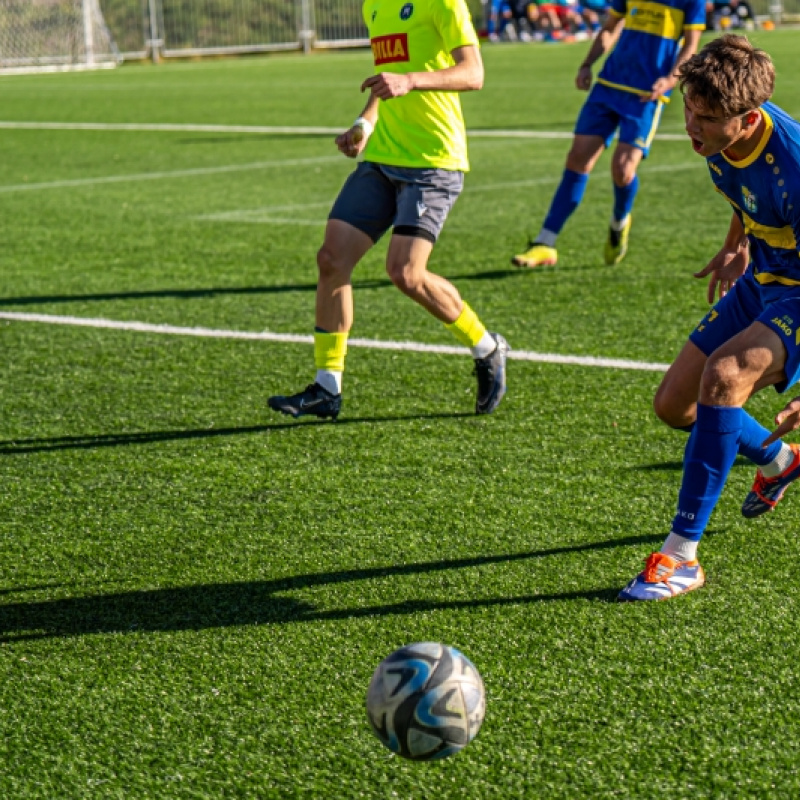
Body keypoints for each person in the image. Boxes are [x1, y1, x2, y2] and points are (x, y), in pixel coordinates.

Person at [620, 35, 800, 601]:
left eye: (705, 118)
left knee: (725, 377)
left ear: (748, 120)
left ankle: (681, 558)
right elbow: (746, 196)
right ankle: (781, 459)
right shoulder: (719, 141)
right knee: (675, 405)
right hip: (763, 277)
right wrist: (738, 245)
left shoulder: (795, 165)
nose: (690, 127)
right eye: (688, 111)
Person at [268, 0, 509, 421]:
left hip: (433, 160)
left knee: (406, 273)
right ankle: (327, 387)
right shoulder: (375, 6)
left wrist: (412, 80)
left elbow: (474, 73)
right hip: (382, 157)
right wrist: (364, 123)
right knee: (331, 259)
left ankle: (487, 347)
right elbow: (387, 85)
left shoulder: (445, 3)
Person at [512, 0, 705, 269]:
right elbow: (610, 28)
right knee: (578, 158)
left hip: (645, 94)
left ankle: (619, 222)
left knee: (623, 170)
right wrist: (587, 63)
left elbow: (690, 45)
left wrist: (671, 79)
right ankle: (545, 242)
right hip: (608, 85)